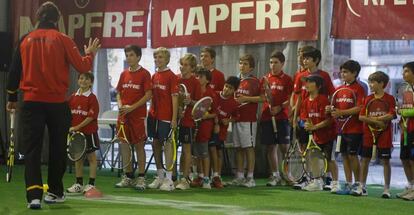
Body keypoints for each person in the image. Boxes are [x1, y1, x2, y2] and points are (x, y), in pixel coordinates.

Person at [6, 1, 100, 209]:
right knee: (58, 148)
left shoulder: (25, 39)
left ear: (37, 18)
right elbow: (82, 66)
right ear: (57, 19)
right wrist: (90, 52)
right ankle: (55, 192)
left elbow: (14, 72)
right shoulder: (63, 39)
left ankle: (34, 196)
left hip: (31, 103)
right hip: (57, 104)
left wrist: (12, 98)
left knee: (32, 149)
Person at [113, 45, 152, 190]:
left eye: (131, 55)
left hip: (138, 117)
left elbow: (148, 95)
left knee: (139, 146)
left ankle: (141, 177)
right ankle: (127, 176)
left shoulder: (145, 74)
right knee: (124, 146)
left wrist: (132, 108)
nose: (128, 57)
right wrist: (120, 104)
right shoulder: (123, 74)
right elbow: (118, 93)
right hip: (123, 117)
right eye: (127, 55)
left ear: (138, 57)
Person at [326, 60, 365, 195]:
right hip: (340, 130)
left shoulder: (360, 89)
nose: (343, 74)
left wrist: (342, 113)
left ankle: (359, 184)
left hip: (355, 129)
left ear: (354, 73)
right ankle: (348, 183)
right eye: (341, 72)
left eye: (346, 72)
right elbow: (334, 107)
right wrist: (329, 109)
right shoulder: (338, 90)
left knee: (353, 156)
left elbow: (360, 107)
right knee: (344, 155)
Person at [358, 71, 395, 198]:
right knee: (364, 160)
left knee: (385, 161)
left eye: (373, 82)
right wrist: (377, 121)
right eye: (369, 82)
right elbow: (361, 116)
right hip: (368, 135)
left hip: (385, 136)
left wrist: (379, 120)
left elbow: (391, 114)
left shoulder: (389, 99)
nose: (370, 84)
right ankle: (362, 187)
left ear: (381, 84)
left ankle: (386, 189)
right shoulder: (368, 98)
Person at [147, 47, 179, 191]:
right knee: (155, 144)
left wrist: (174, 119)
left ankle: (169, 179)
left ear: (166, 59)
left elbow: (174, 99)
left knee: (168, 146)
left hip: (166, 117)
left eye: (160, 57)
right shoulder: (154, 76)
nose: (157, 60)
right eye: (156, 57)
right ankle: (160, 176)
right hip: (153, 116)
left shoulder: (172, 76)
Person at [227, 54, 261, 188]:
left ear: (251, 67)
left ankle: (250, 177)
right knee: (238, 148)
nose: (242, 66)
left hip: (249, 120)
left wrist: (246, 99)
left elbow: (262, 98)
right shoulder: (235, 80)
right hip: (236, 119)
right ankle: (239, 176)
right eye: (241, 63)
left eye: (245, 64)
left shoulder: (254, 81)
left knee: (249, 148)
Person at [260, 51, 293, 186]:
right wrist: (268, 99)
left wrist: (280, 107)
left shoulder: (287, 79)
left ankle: (287, 173)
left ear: (283, 64)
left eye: (276, 62)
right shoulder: (265, 79)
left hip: (282, 117)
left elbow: (291, 98)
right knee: (270, 147)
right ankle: (275, 175)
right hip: (267, 116)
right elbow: (263, 97)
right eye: (271, 62)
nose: (273, 65)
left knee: (284, 147)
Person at [301, 75, 338, 192]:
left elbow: (329, 120)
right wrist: (307, 125)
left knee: (330, 159)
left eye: (310, 82)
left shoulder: (323, 100)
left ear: (318, 86)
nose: (307, 85)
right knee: (314, 157)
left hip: (328, 135)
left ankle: (335, 183)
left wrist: (315, 126)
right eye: (306, 82)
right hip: (315, 136)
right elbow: (305, 118)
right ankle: (317, 182)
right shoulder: (305, 101)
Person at [66, 72, 101, 195]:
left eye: (87, 79)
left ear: (91, 82)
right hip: (76, 134)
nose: (83, 81)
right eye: (81, 78)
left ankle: (91, 184)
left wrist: (77, 127)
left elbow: (91, 117)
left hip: (89, 132)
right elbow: (67, 114)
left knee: (92, 158)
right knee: (78, 158)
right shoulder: (72, 97)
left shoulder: (92, 98)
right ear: (77, 80)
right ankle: (79, 184)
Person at [175, 53, 202, 190]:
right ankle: (173, 177)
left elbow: (200, 104)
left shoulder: (195, 82)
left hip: (188, 122)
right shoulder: (176, 79)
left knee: (186, 150)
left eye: (185, 65)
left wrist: (190, 101)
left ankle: (185, 179)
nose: (182, 67)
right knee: (173, 149)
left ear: (192, 68)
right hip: (175, 120)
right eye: (181, 64)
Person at [210, 76, 241, 188]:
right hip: (209, 128)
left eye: (230, 88)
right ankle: (203, 175)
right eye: (226, 86)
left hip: (221, 132)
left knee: (218, 152)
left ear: (234, 90)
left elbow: (236, 117)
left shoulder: (234, 103)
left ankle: (217, 176)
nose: (226, 89)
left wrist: (228, 120)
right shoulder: (214, 95)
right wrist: (215, 121)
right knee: (207, 151)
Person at [191, 68, 218, 189]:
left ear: (207, 80)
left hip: (206, 127)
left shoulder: (211, 93)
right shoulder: (195, 90)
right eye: (197, 76)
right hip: (194, 125)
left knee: (204, 153)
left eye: (201, 77)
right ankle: (200, 176)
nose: (198, 79)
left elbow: (215, 113)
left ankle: (207, 178)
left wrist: (208, 116)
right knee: (196, 153)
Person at [397, 61, 414, 200]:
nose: (403, 74)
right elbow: (404, 110)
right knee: (404, 158)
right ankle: (411, 186)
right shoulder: (406, 90)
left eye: (407, 71)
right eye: (403, 71)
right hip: (406, 130)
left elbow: (409, 111)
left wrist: (407, 112)